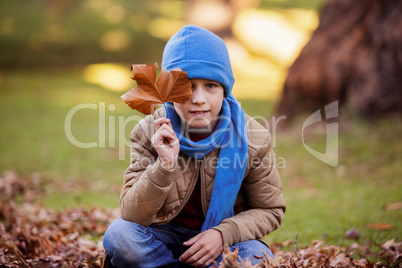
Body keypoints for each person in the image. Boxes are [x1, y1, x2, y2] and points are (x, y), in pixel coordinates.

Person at [103, 25, 286, 267]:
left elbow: (270, 210)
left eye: (211, 85)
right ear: (169, 91)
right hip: (163, 234)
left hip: (224, 239)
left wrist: (223, 234)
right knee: (120, 235)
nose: (199, 99)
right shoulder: (150, 132)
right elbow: (132, 214)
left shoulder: (253, 138)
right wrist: (164, 165)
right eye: (187, 86)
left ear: (224, 90)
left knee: (255, 256)